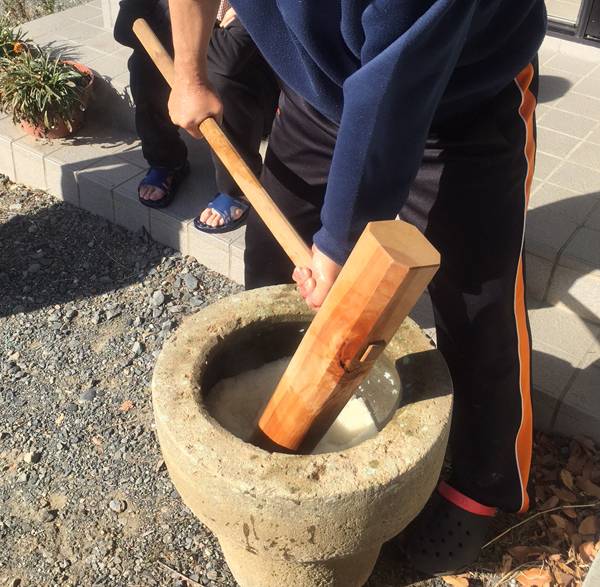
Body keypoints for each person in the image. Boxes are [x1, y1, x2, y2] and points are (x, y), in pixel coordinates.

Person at [166, 0, 547, 576]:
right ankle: (278, 413)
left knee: (477, 302)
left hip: (462, 97)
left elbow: (397, 78)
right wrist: (189, 74)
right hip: (318, 94)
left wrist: (339, 244)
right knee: (273, 260)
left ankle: (483, 482)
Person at [113, 0, 278, 232]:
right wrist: (196, 32)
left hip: (263, 78)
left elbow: (230, 56)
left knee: (222, 80)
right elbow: (127, 28)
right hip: (216, 49)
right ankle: (167, 160)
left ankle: (237, 188)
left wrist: (175, 28)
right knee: (144, 66)